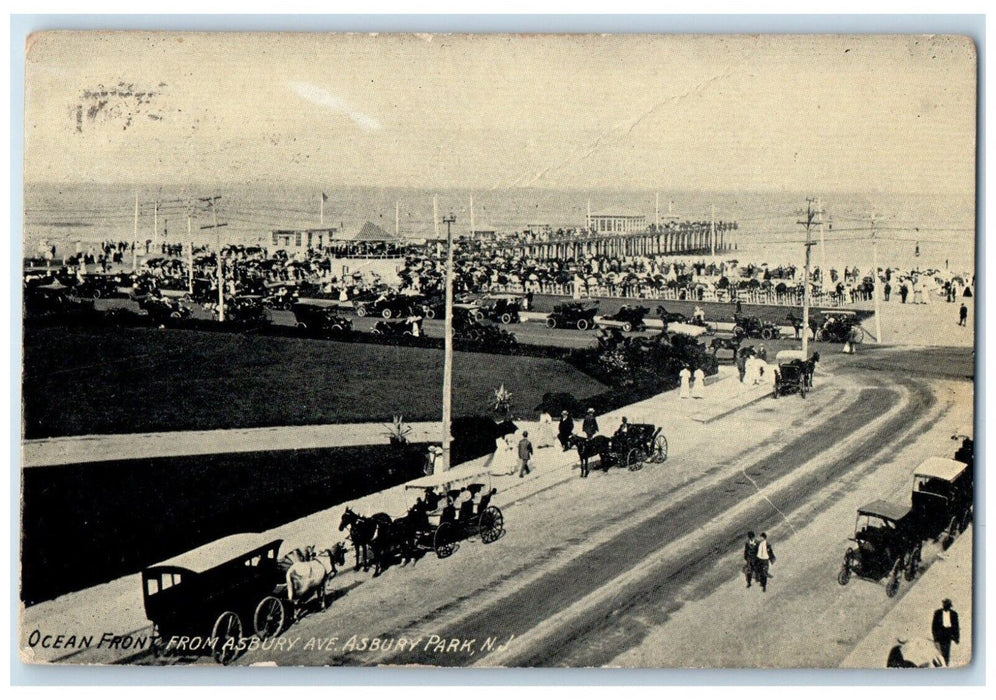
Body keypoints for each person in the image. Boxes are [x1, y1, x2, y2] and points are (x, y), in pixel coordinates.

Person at [931, 599, 960, 665]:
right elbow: (934, 626)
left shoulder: (954, 614)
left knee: (947, 650)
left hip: (948, 634)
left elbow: (956, 626)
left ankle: (946, 664)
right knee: (940, 650)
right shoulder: (937, 613)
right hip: (940, 633)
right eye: (946, 605)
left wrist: (956, 637)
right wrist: (935, 637)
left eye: (948, 605)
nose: (947, 607)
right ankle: (942, 664)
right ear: (943, 605)